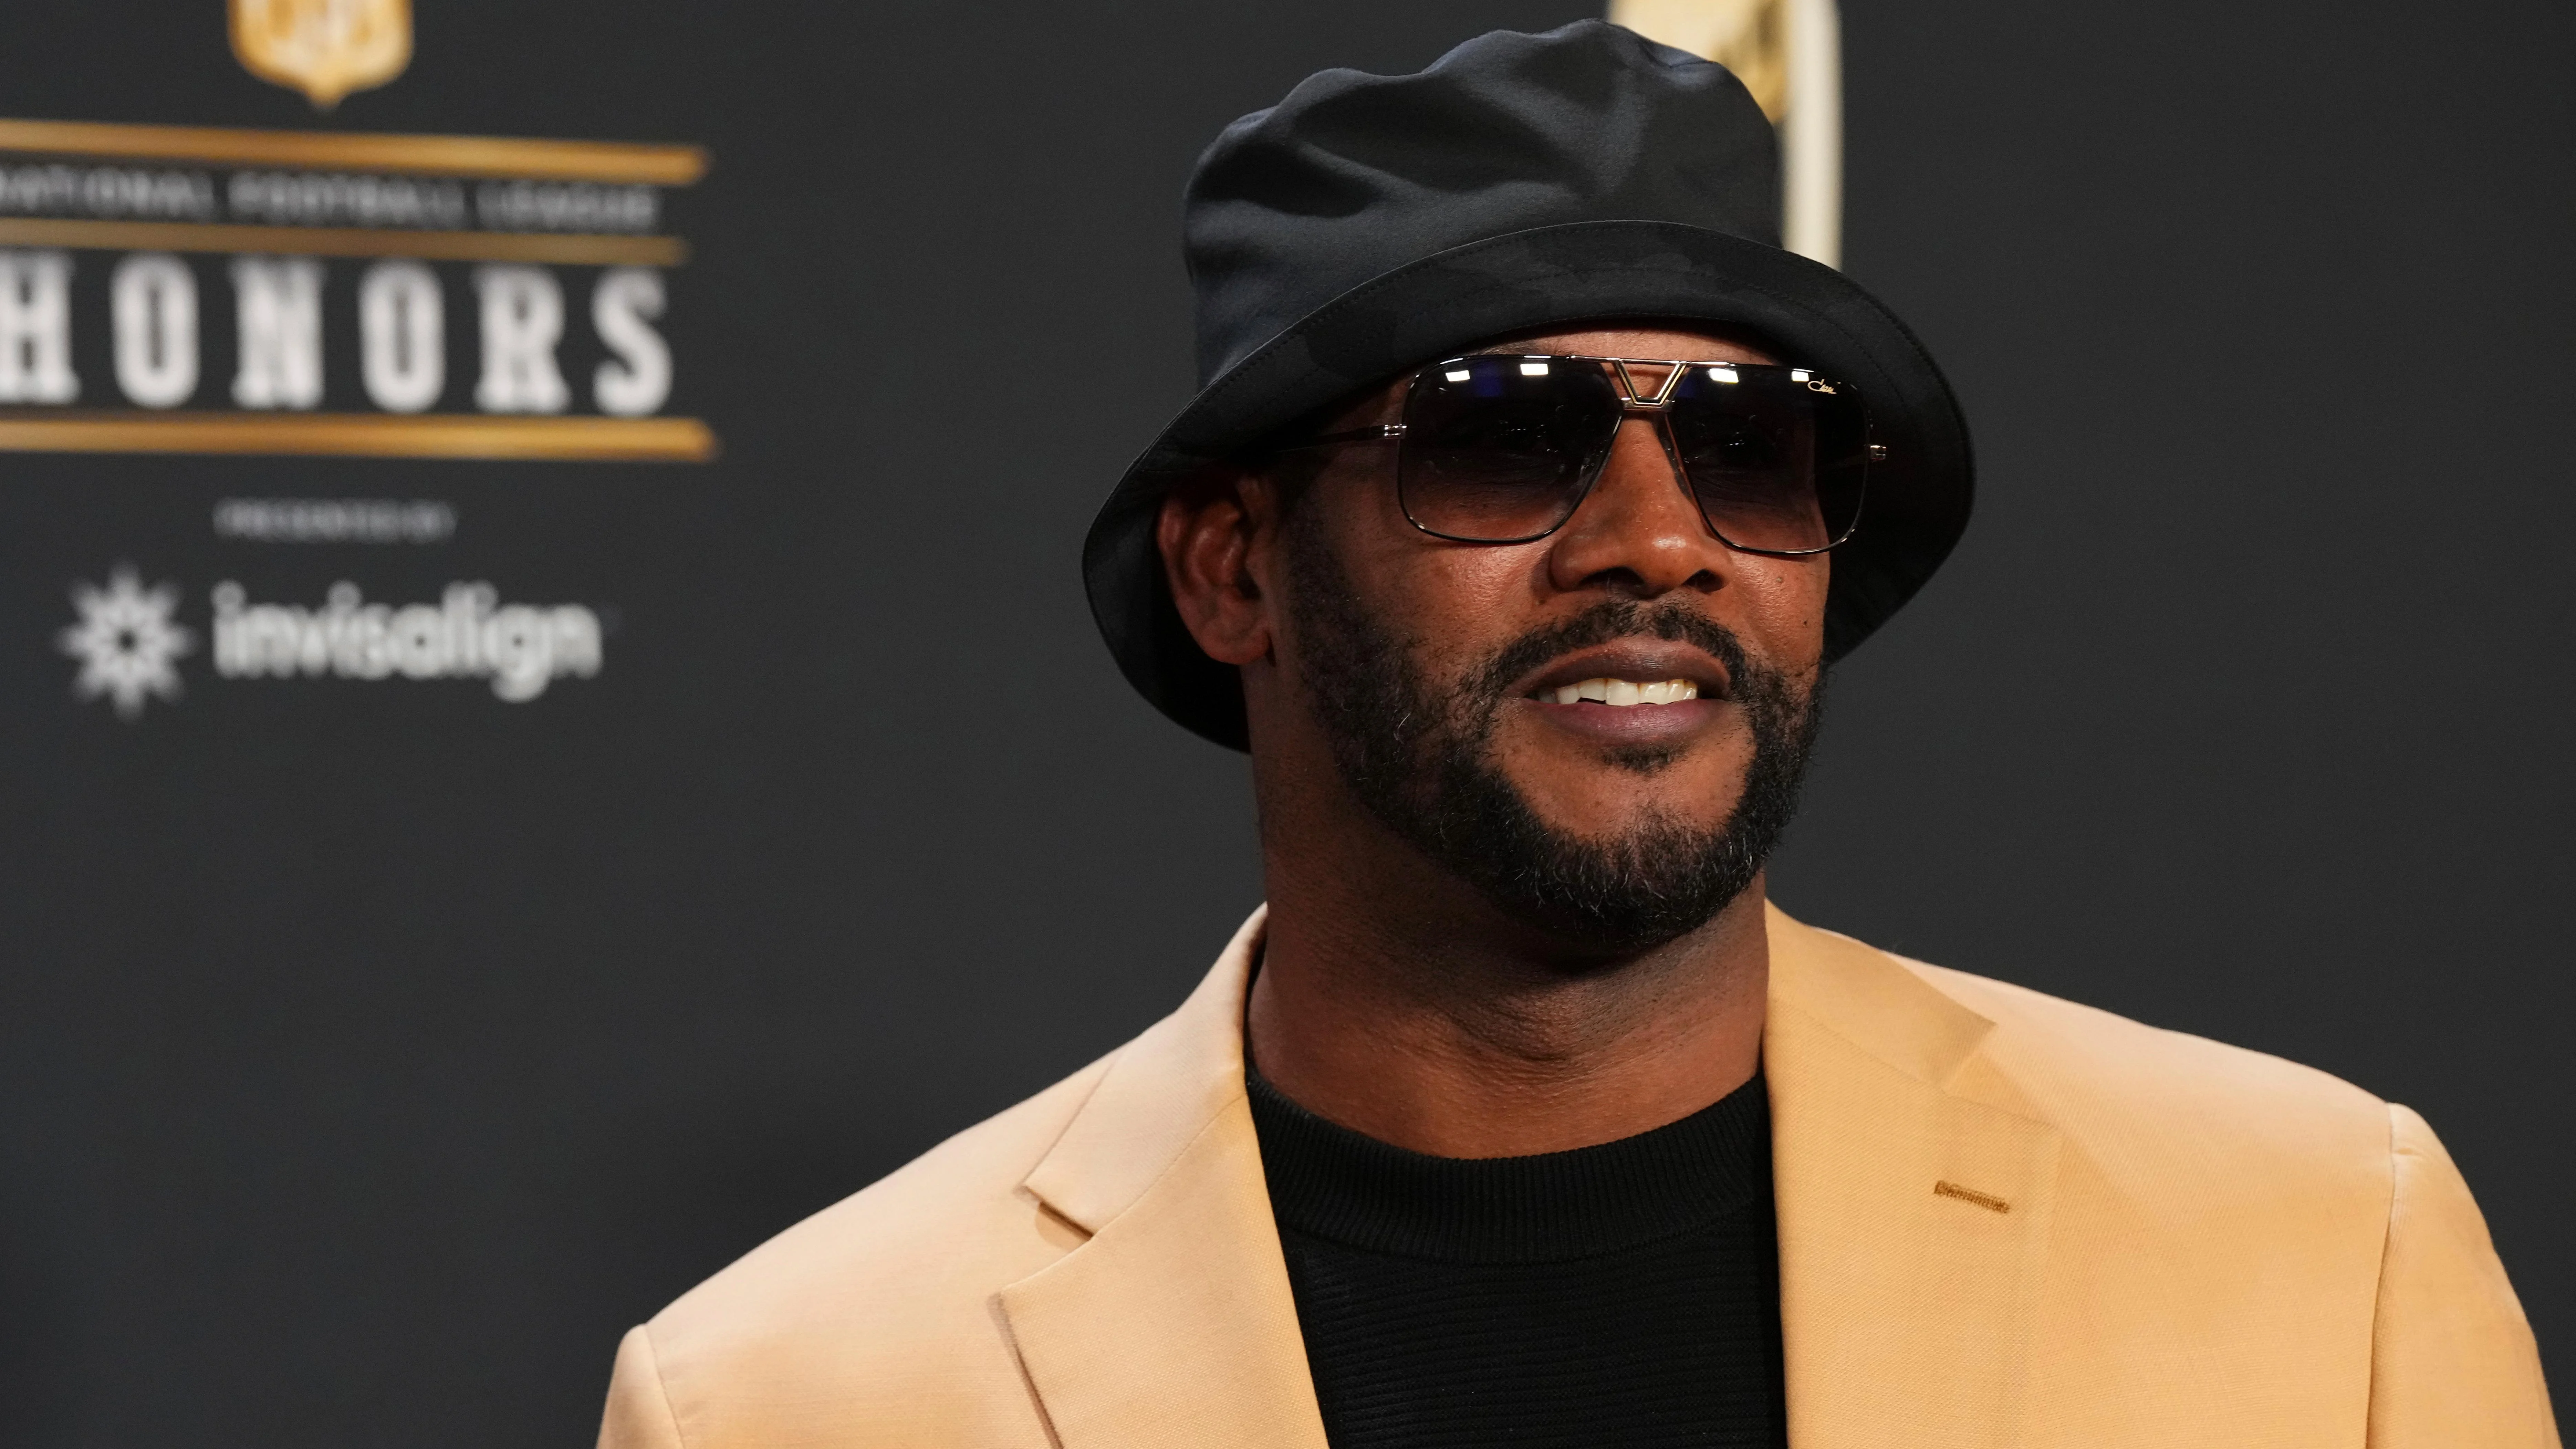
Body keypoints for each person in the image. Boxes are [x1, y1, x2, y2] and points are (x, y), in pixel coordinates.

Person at [593, 22, 2556, 1448]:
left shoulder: (2322, 1245)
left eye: (1748, 450)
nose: (1657, 541)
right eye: (1505, 436)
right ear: (1231, 570)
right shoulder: (789, 1393)